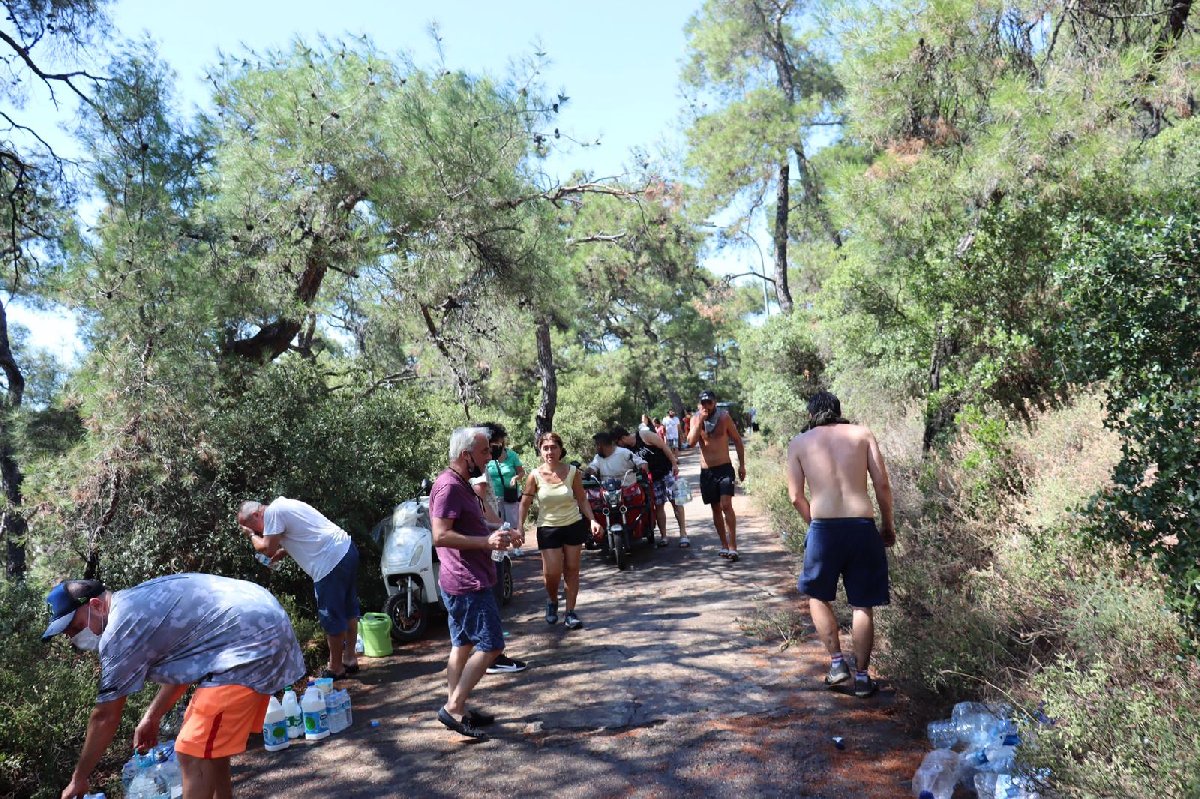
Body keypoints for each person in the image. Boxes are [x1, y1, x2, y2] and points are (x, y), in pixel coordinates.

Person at [44, 574, 305, 799]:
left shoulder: (119, 631)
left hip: (252, 641)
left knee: (191, 751)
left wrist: (79, 777)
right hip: (258, 622)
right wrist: (152, 716)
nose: (75, 638)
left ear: (97, 605)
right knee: (207, 745)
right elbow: (191, 664)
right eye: (68, 634)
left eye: (76, 627)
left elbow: (105, 716)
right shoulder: (132, 602)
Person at [786, 390, 895, 698]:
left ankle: (836, 665)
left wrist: (815, 526)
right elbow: (882, 484)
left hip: (824, 529)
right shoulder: (862, 434)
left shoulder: (799, 443)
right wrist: (887, 524)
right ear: (838, 410)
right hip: (862, 527)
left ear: (811, 414)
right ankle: (862, 678)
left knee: (818, 597)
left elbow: (795, 496)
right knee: (862, 604)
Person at [431, 426, 527, 739]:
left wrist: (498, 532)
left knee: (463, 645)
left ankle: (456, 707)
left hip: (464, 578)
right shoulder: (448, 487)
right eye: (485, 452)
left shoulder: (463, 484)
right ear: (466, 455)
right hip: (466, 581)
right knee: (493, 645)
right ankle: (454, 707)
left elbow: (472, 524)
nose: (490, 457)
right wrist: (487, 542)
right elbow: (441, 535)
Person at [237, 496, 360, 679]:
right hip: (346, 550)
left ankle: (335, 667)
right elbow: (305, 532)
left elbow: (266, 548)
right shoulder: (284, 504)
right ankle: (349, 658)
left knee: (331, 615)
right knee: (348, 609)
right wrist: (284, 552)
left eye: (253, 526)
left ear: (256, 514)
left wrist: (252, 536)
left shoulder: (271, 514)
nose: (257, 531)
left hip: (329, 563)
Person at [519, 431, 603, 630]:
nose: (550, 451)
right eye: (545, 448)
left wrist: (592, 520)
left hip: (573, 524)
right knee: (552, 572)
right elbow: (525, 503)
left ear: (560, 449)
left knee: (572, 570)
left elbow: (582, 498)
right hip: (548, 528)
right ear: (540, 451)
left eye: (553, 447)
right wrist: (519, 527)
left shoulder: (572, 472)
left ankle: (570, 612)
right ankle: (552, 600)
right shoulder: (535, 475)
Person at [686, 390, 746, 561]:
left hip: (724, 468)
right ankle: (724, 545)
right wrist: (700, 422)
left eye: (709, 403)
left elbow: (737, 440)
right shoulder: (695, 419)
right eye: (703, 403)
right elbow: (690, 442)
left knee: (726, 505)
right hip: (707, 471)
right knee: (716, 508)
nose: (706, 406)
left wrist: (742, 465)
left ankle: (733, 546)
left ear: (715, 403)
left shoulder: (724, 417)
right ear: (700, 404)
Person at [612, 425, 689, 548]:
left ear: (622, 438)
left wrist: (674, 464)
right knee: (658, 506)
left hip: (667, 471)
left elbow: (664, 447)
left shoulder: (644, 435)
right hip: (653, 478)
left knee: (676, 502)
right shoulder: (626, 450)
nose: (618, 445)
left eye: (617, 442)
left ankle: (683, 534)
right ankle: (664, 537)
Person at [483, 422, 526, 529]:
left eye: (500, 442)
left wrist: (515, 478)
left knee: (513, 522)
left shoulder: (512, 455)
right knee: (498, 524)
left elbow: (521, 472)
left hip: (510, 494)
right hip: (494, 497)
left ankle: (515, 543)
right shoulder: (488, 458)